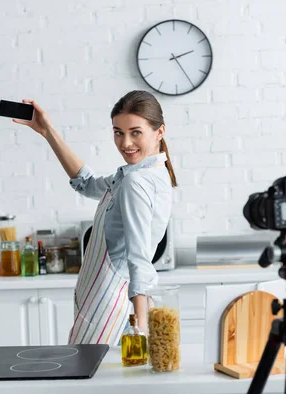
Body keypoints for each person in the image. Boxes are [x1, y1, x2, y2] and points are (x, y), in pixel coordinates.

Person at [13, 90, 177, 345]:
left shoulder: (137, 181)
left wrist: (142, 330)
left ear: (160, 131)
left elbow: (139, 258)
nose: (125, 143)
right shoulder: (135, 175)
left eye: (136, 132)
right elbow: (87, 184)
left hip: (111, 305)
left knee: (88, 381)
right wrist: (47, 131)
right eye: (118, 132)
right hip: (101, 299)